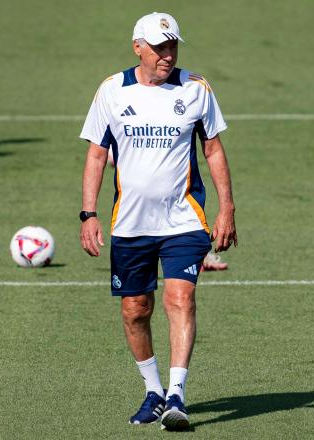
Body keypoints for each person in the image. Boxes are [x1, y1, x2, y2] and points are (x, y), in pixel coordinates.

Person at [79, 12, 237, 431]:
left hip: (184, 218)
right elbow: (96, 154)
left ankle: (176, 395)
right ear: (138, 47)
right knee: (136, 309)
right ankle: (152, 391)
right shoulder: (111, 91)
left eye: (173, 47)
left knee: (179, 299)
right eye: (159, 47)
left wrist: (227, 208)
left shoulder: (196, 89)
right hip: (130, 224)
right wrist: (88, 213)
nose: (168, 55)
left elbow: (214, 150)